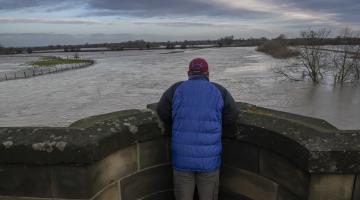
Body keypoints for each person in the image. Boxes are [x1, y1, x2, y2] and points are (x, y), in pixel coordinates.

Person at [156, 58, 239, 200]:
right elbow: (232, 115)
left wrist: (176, 123)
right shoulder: (219, 90)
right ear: (207, 73)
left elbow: (162, 110)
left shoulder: (176, 89)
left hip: (181, 156)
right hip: (209, 158)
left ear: (189, 73)